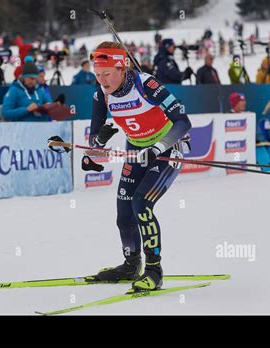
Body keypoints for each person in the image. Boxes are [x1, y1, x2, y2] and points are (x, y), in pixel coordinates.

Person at [87, 41, 192, 292]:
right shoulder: (101, 94)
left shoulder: (147, 85)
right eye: (98, 74)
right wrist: (100, 138)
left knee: (141, 204)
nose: (102, 80)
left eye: (107, 73)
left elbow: (183, 122)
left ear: (122, 68)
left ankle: (154, 271)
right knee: (124, 212)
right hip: (135, 151)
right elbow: (93, 144)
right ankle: (131, 264)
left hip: (166, 150)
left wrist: (158, 148)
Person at [2, 56, 52, 122]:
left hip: (41, 128)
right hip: (22, 129)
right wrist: (26, 110)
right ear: (23, 77)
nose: (33, 81)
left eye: (35, 79)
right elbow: (5, 113)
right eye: (30, 78)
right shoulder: (14, 90)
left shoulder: (39, 90)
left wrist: (48, 107)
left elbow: (49, 102)